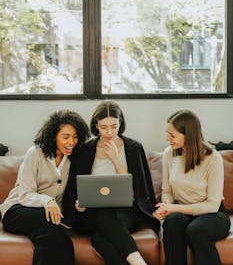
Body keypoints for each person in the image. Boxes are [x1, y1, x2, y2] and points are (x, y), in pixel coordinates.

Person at [62, 100, 160, 265]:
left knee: (100, 237)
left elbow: (137, 191)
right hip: (90, 213)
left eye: (114, 126)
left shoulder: (133, 148)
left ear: (120, 124)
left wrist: (115, 158)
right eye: (103, 127)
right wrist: (80, 203)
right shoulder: (85, 150)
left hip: (124, 212)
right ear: (96, 125)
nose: (109, 132)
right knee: (103, 217)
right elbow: (75, 190)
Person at [0, 109, 90, 265]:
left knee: (51, 235)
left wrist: (80, 203)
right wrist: (47, 201)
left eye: (75, 137)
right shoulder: (35, 154)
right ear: (54, 136)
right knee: (51, 223)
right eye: (66, 137)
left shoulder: (74, 158)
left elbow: (76, 191)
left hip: (50, 218)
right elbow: (25, 194)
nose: (71, 142)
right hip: (17, 210)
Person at [153, 109, 231, 265]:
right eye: (167, 133)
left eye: (173, 135)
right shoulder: (169, 153)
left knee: (196, 230)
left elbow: (212, 205)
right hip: (182, 211)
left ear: (188, 135)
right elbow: (167, 190)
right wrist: (166, 208)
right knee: (172, 222)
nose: (168, 139)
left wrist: (174, 209)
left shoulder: (213, 158)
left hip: (213, 215)